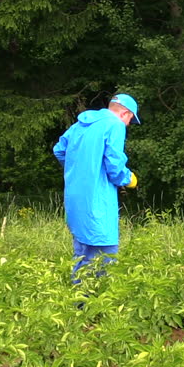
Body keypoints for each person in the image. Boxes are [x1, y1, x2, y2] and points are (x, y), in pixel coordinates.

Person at [53, 93, 141, 284]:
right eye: (130, 121)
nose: (127, 125)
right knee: (106, 256)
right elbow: (115, 167)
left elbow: (59, 150)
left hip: (75, 200)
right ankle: (101, 308)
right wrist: (129, 179)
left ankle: (78, 305)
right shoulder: (114, 125)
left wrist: (78, 169)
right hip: (97, 200)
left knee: (82, 254)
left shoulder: (79, 125)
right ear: (125, 113)